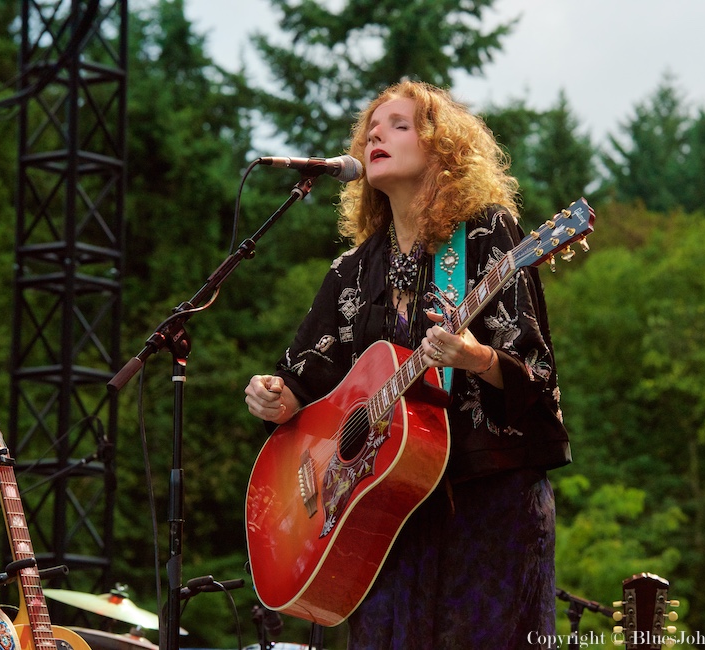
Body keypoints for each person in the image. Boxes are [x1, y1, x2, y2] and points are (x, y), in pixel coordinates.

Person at [244, 80, 571, 649]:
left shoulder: (488, 233)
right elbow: (302, 378)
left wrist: (476, 357)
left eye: (398, 125)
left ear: (443, 149)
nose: (376, 135)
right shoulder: (352, 271)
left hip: (486, 504)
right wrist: (277, 395)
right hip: (380, 518)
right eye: (371, 129)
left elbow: (536, 374)